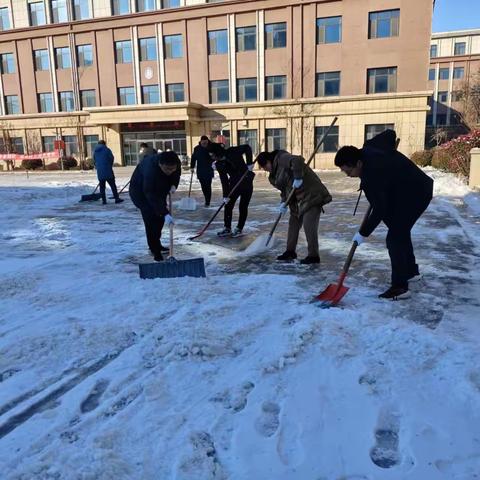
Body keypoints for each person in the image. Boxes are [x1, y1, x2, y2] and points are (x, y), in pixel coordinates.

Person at [334, 130, 433, 300]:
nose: (348, 175)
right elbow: (389, 133)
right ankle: (410, 272)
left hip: (415, 193)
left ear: (358, 163)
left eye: (348, 171)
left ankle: (400, 287)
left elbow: (380, 209)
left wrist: (363, 233)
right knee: (399, 231)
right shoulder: (369, 150)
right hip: (405, 190)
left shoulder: (373, 172)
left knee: (395, 236)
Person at [256, 150, 332, 264]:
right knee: (293, 225)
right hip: (296, 201)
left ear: (268, 161)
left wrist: (298, 177)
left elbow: (297, 160)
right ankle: (290, 252)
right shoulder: (273, 177)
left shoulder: (282, 158)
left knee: (308, 225)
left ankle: (313, 256)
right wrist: (283, 202)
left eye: (264, 166)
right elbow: (284, 190)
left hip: (311, 195)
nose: (264, 169)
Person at [129, 150, 182, 261]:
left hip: (159, 188)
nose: (170, 172)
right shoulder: (150, 170)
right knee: (151, 219)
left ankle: (157, 244)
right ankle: (155, 250)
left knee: (160, 219)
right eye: (167, 169)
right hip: (140, 192)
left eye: (172, 168)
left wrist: (173, 185)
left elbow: (176, 174)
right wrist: (165, 213)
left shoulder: (175, 163)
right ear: (160, 164)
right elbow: (150, 193)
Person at [208, 142, 254, 237]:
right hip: (234, 185)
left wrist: (249, 163)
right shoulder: (219, 164)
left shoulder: (233, 151)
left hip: (247, 181)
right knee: (228, 205)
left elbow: (247, 147)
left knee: (243, 206)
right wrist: (225, 195)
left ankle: (239, 229)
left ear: (218, 153)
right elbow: (224, 180)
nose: (212, 158)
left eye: (212, 155)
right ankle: (227, 228)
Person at [93, 140, 123, 205]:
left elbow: (94, 160)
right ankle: (117, 199)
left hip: (100, 172)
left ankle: (104, 201)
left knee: (102, 187)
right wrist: (109, 165)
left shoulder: (95, 151)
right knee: (112, 185)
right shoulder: (107, 150)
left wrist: (98, 166)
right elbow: (111, 158)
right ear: (104, 144)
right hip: (108, 170)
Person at [191, 135, 214, 207]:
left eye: (205, 142)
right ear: (200, 142)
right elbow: (193, 158)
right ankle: (206, 198)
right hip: (200, 170)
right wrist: (192, 167)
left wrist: (212, 156)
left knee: (208, 186)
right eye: (203, 142)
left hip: (208, 170)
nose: (204, 143)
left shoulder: (211, 148)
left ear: (207, 141)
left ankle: (208, 201)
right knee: (203, 186)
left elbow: (216, 157)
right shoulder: (197, 149)